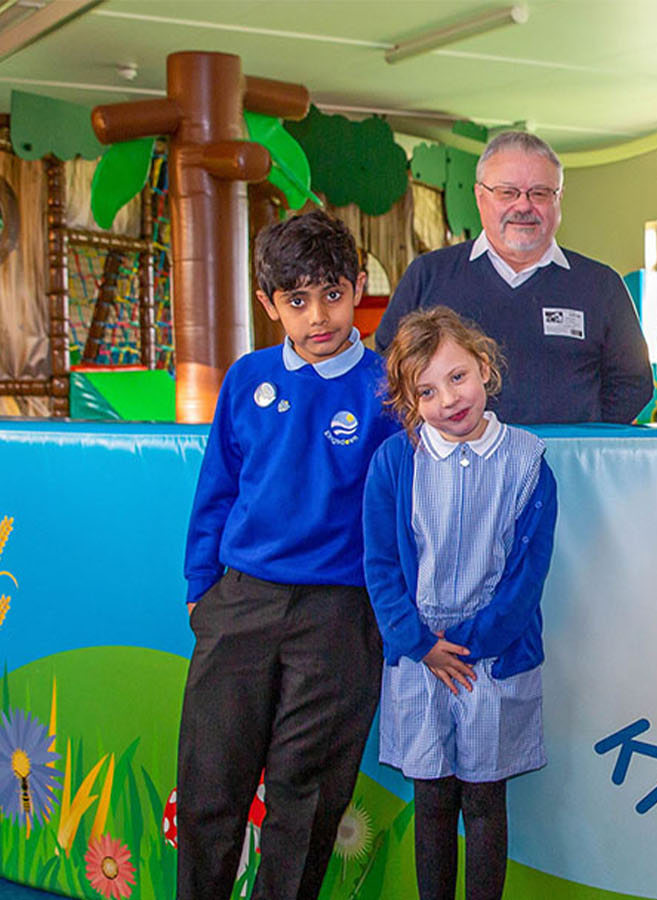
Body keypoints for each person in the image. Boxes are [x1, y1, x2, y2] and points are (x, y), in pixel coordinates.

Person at [178, 210, 399, 900]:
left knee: (305, 796)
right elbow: (217, 487)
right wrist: (201, 588)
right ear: (270, 305)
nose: (318, 316)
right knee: (211, 782)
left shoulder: (389, 386)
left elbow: (403, 514)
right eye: (297, 300)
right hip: (240, 603)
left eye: (332, 293)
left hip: (339, 616)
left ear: (358, 287)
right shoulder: (246, 379)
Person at [364, 307, 557, 900]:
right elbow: (381, 567)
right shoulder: (396, 464)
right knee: (433, 801)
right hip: (421, 663)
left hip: (491, 663)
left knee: (484, 801)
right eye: (426, 390)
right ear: (408, 401)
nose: (448, 398)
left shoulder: (527, 461)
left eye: (457, 376)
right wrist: (422, 646)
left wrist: (467, 647)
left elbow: (527, 576)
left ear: (484, 367)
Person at [376, 131, 653, 425]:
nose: (523, 206)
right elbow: (389, 368)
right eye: (507, 192)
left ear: (559, 198)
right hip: (457, 466)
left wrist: (580, 441)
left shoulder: (601, 285)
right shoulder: (428, 275)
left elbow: (634, 384)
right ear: (480, 196)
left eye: (539, 193)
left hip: (569, 466)